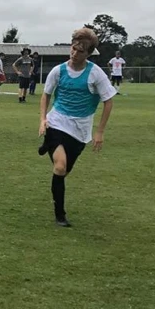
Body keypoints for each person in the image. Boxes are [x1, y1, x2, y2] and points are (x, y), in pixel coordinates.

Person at [37, 27, 116, 227]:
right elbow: (46, 95)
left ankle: (49, 147)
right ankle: (60, 216)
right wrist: (43, 119)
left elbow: (108, 101)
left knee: (64, 171)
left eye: (80, 51)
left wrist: (99, 131)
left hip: (80, 131)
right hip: (56, 122)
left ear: (88, 54)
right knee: (60, 166)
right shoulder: (59, 70)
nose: (74, 53)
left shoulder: (96, 74)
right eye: (73, 48)